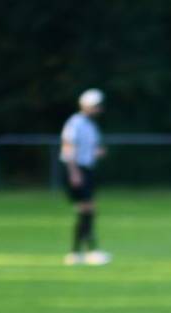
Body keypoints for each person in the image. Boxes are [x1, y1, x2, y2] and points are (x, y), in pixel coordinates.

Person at [60, 88, 109, 266]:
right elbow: (68, 148)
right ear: (87, 106)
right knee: (86, 210)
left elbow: (90, 148)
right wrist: (74, 173)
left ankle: (81, 252)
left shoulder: (90, 125)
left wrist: (97, 152)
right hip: (77, 171)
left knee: (88, 211)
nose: (99, 109)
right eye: (96, 106)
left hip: (86, 170)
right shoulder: (75, 123)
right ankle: (82, 252)